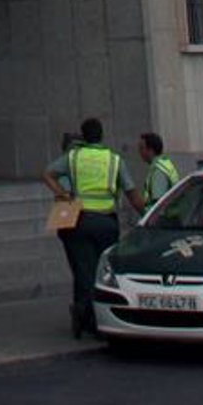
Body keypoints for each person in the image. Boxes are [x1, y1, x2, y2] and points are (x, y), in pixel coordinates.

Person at [42, 116, 128, 338]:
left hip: (80, 220)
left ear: (83, 136)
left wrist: (63, 195)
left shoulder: (73, 158)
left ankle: (85, 316)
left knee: (83, 271)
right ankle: (101, 318)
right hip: (107, 222)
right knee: (104, 271)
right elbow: (131, 191)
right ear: (102, 135)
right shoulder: (113, 159)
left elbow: (47, 174)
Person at [137, 131, 180, 211]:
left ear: (151, 150)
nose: (139, 152)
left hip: (164, 216)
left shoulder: (158, 171)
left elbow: (158, 204)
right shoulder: (165, 163)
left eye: (142, 148)